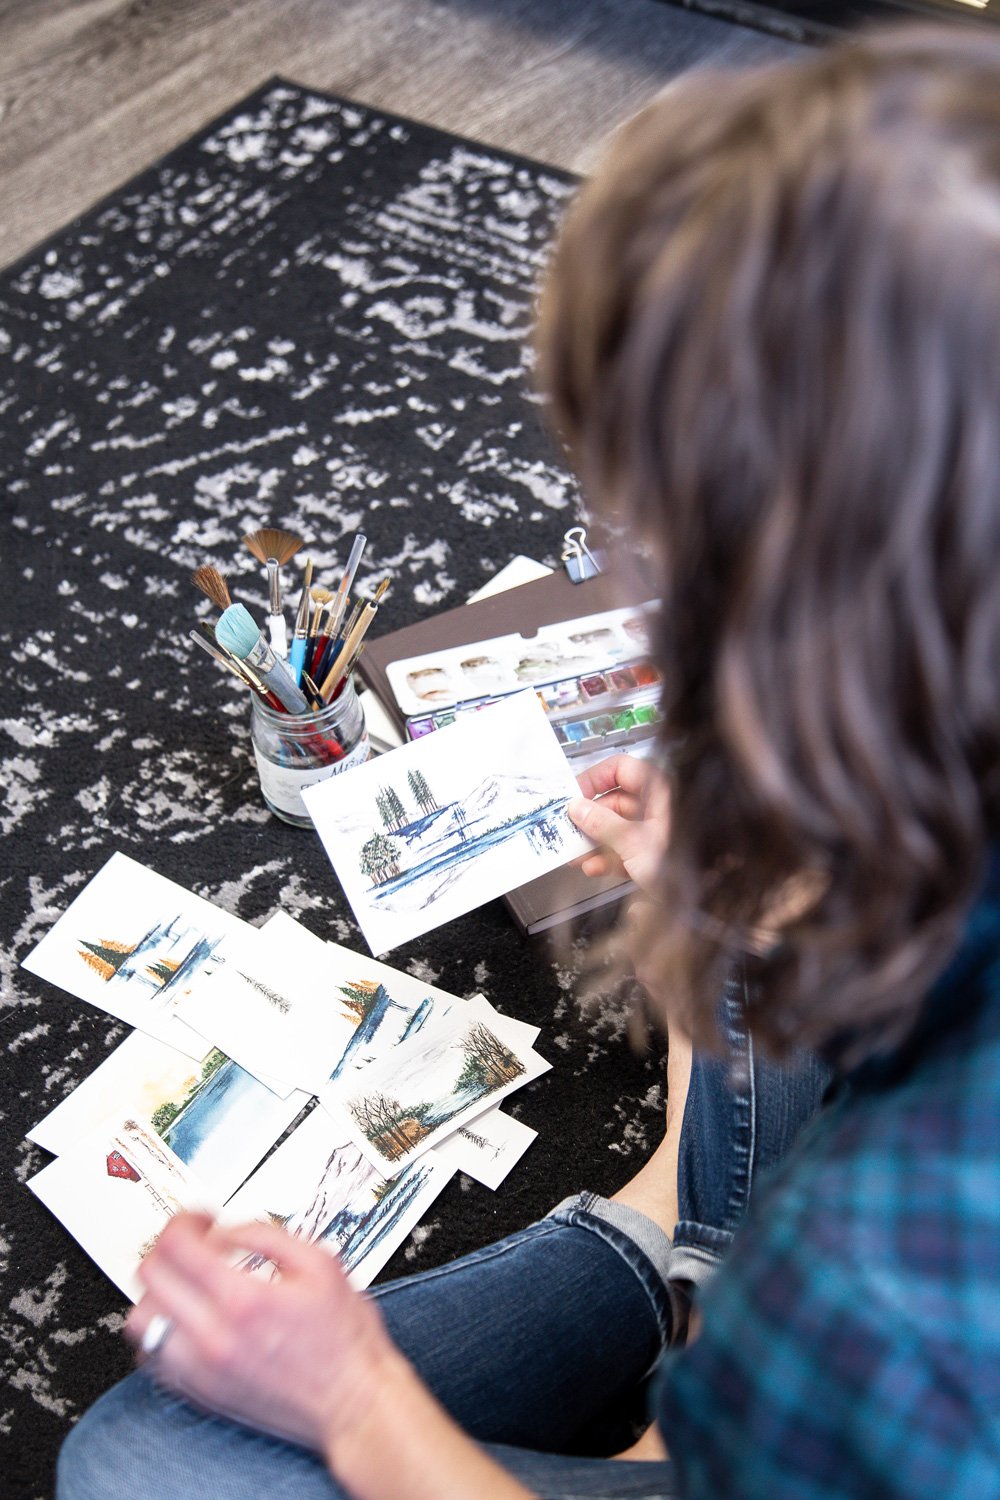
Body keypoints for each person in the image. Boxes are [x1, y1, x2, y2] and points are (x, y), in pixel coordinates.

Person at [57, 23, 1000, 1499]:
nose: (634, 600)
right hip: (802, 1281)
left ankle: (687, 1263)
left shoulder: (883, 1300)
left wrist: (357, 1395)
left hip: (810, 1380)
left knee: (140, 1461)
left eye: (654, 551)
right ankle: (674, 1216)